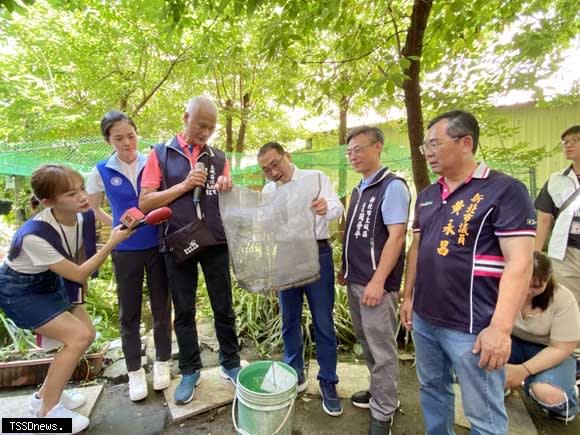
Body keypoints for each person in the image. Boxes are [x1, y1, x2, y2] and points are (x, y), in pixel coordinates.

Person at [400, 110, 537, 435]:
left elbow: (520, 263)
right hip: (425, 318)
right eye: (425, 147)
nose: (428, 152)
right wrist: (408, 297)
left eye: (435, 144)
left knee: (484, 415)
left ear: (466, 142)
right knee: (433, 391)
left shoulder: (504, 190)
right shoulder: (429, 195)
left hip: (474, 328)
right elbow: (417, 249)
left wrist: (501, 329)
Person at [0, 165, 133, 434]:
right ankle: (47, 415)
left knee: (88, 333)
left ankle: (45, 396)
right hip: (20, 292)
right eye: (71, 194)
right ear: (48, 202)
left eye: (82, 188)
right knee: (77, 338)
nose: (83, 197)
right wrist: (113, 242)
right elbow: (79, 271)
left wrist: (78, 303)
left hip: (52, 281)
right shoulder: (33, 236)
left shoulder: (82, 217)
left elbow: (78, 262)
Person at [139, 95, 240, 405]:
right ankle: (190, 371)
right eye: (200, 125)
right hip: (177, 241)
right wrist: (183, 186)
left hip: (215, 240)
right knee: (183, 311)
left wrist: (227, 188)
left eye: (210, 128)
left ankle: (231, 364)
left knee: (223, 305)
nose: (205, 133)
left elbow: (229, 198)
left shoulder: (219, 157)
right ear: (185, 117)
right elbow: (145, 202)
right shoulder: (160, 154)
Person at [87, 111, 172, 401]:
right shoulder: (100, 170)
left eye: (131, 135)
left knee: (162, 307)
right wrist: (114, 225)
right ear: (108, 140)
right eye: (119, 137)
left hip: (158, 245)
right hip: (125, 250)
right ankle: (135, 371)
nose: (127, 142)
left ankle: (162, 363)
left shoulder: (154, 162)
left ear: (137, 134)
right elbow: (91, 206)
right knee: (129, 312)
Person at [257, 141, 344, 416]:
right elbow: (265, 225)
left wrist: (324, 207)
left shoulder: (315, 177)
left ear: (287, 156)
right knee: (289, 319)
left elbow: (337, 208)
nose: (273, 171)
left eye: (275, 163)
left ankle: (328, 381)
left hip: (317, 252)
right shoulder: (269, 190)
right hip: (285, 254)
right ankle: (294, 374)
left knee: (323, 322)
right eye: (266, 169)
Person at [339, 126, 410, 435]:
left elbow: (397, 237)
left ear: (378, 147)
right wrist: (345, 268)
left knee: (381, 348)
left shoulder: (392, 186)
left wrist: (378, 281)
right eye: (349, 151)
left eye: (359, 149)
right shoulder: (360, 188)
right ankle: (379, 392)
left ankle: (384, 410)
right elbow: (356, 236)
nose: (353, 156)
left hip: (376, 285)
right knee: (367, 341)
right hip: (357, 281)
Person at [506, 251, 580, 422]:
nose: (529, 291)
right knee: (478, 364)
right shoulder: (501, 286)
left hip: (551, 352)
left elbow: (562, 348)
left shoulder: (563, 299)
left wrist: (523, 370)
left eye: (537, 286)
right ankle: (502, 384)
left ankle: (566, 397)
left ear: (547, 280)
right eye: (525, 283)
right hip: (512, 343)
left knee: (550, 395)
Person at [534, 124, 580, 379]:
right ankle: (570, 361)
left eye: (575, 140)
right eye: (565, 141)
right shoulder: (556, 180)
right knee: (567, 303)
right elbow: (543, 220)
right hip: (564, 253)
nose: (569, 145)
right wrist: (535, 256)